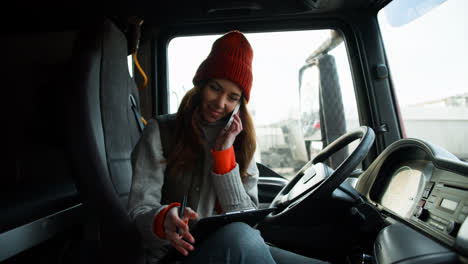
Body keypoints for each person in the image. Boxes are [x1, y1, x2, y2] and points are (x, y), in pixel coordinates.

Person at [128, 31, 327, 264]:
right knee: (242, 238)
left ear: (239, 103)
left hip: (228, 246)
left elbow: (247, 218)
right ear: (201, 85)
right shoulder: (160, 131)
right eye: (215, 88)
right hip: (173, 255)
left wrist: (224, 156)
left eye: (232, 97)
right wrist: (162, 220)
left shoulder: (242, 141)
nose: (220, 103)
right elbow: (138, 210)